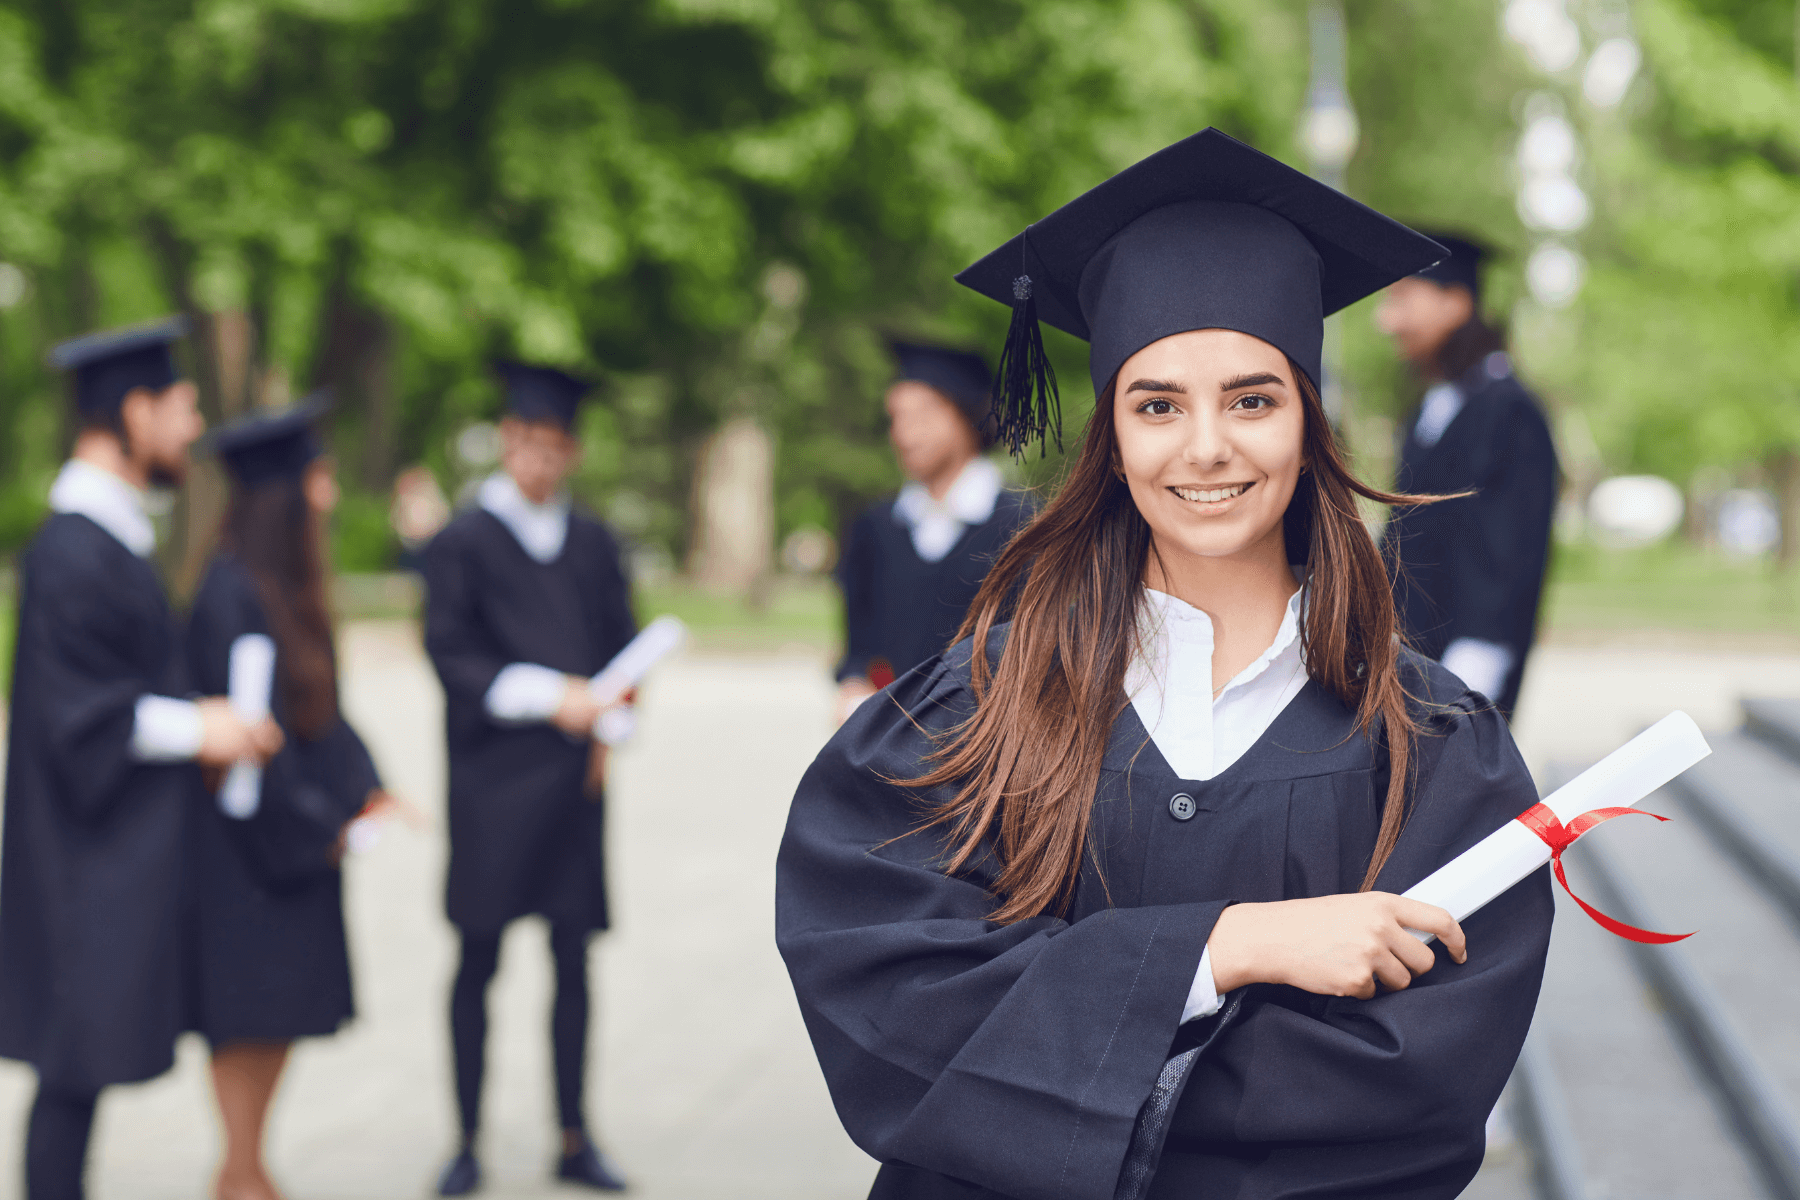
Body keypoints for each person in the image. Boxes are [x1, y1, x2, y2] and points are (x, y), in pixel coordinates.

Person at [777, 129, 1554, 1200]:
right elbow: (892, 1005)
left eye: (1251, 398)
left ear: (1308, 421)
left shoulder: (1430, 744)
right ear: (1111, 434)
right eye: (1156, 405)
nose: (1205, 448)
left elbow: (1417, 1088)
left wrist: (1075, 1052)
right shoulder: (971, 707)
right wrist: (1230, 948)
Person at [0, 318, 282, 1200]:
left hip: (102, 853)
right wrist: (206, 730)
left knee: (77, 1071)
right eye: (180, 408)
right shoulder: (72, 549)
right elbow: (77, 716)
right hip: (77, 862)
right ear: (133, 409)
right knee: (70, 1071)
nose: (192, 430)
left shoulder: (109, 535)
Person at [422, 362, 637, 1194]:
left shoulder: (591, 542)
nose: (539, 461)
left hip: (571, 788)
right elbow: (452, 656)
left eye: (554, 447)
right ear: (507, 441)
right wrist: (559, 699)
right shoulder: (464, 541)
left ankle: (574, 1135)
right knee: (478, 956)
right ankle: (466, 1138)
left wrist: (610, 718)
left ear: (572, 452)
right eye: (526, 444)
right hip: (491, 783)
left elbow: (622, 647)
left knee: (573, 958)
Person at [186, 399, 397, 1200]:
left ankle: (248, 1166)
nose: (329, 495)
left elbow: (318, 715)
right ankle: (240, 1171)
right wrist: (322, 828)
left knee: (277, 1014)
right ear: (282, 496)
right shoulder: (229, 595)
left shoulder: (283, 590)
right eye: (317, 478)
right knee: (249, 1010)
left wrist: (366, 788)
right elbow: (252, 747)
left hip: (290, 842)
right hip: (247, 855)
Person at [1376, 233, 1559, 717]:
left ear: (1455, 302)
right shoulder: (1432, 405)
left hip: (1462, 669)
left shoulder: (1510, 411)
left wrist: (1479, 657)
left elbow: (1512, 547)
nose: (1387, 320)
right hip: (1408, 659)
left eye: (1402, 299)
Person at [834, 340, 1033, 722]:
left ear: (966, 416)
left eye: (922, 415)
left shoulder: (1023, 529)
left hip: (985, 743)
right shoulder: (876, 527)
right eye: (896, 418)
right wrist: (854, 683)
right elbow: (858, 643)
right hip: (885, 740)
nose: (904, 434)